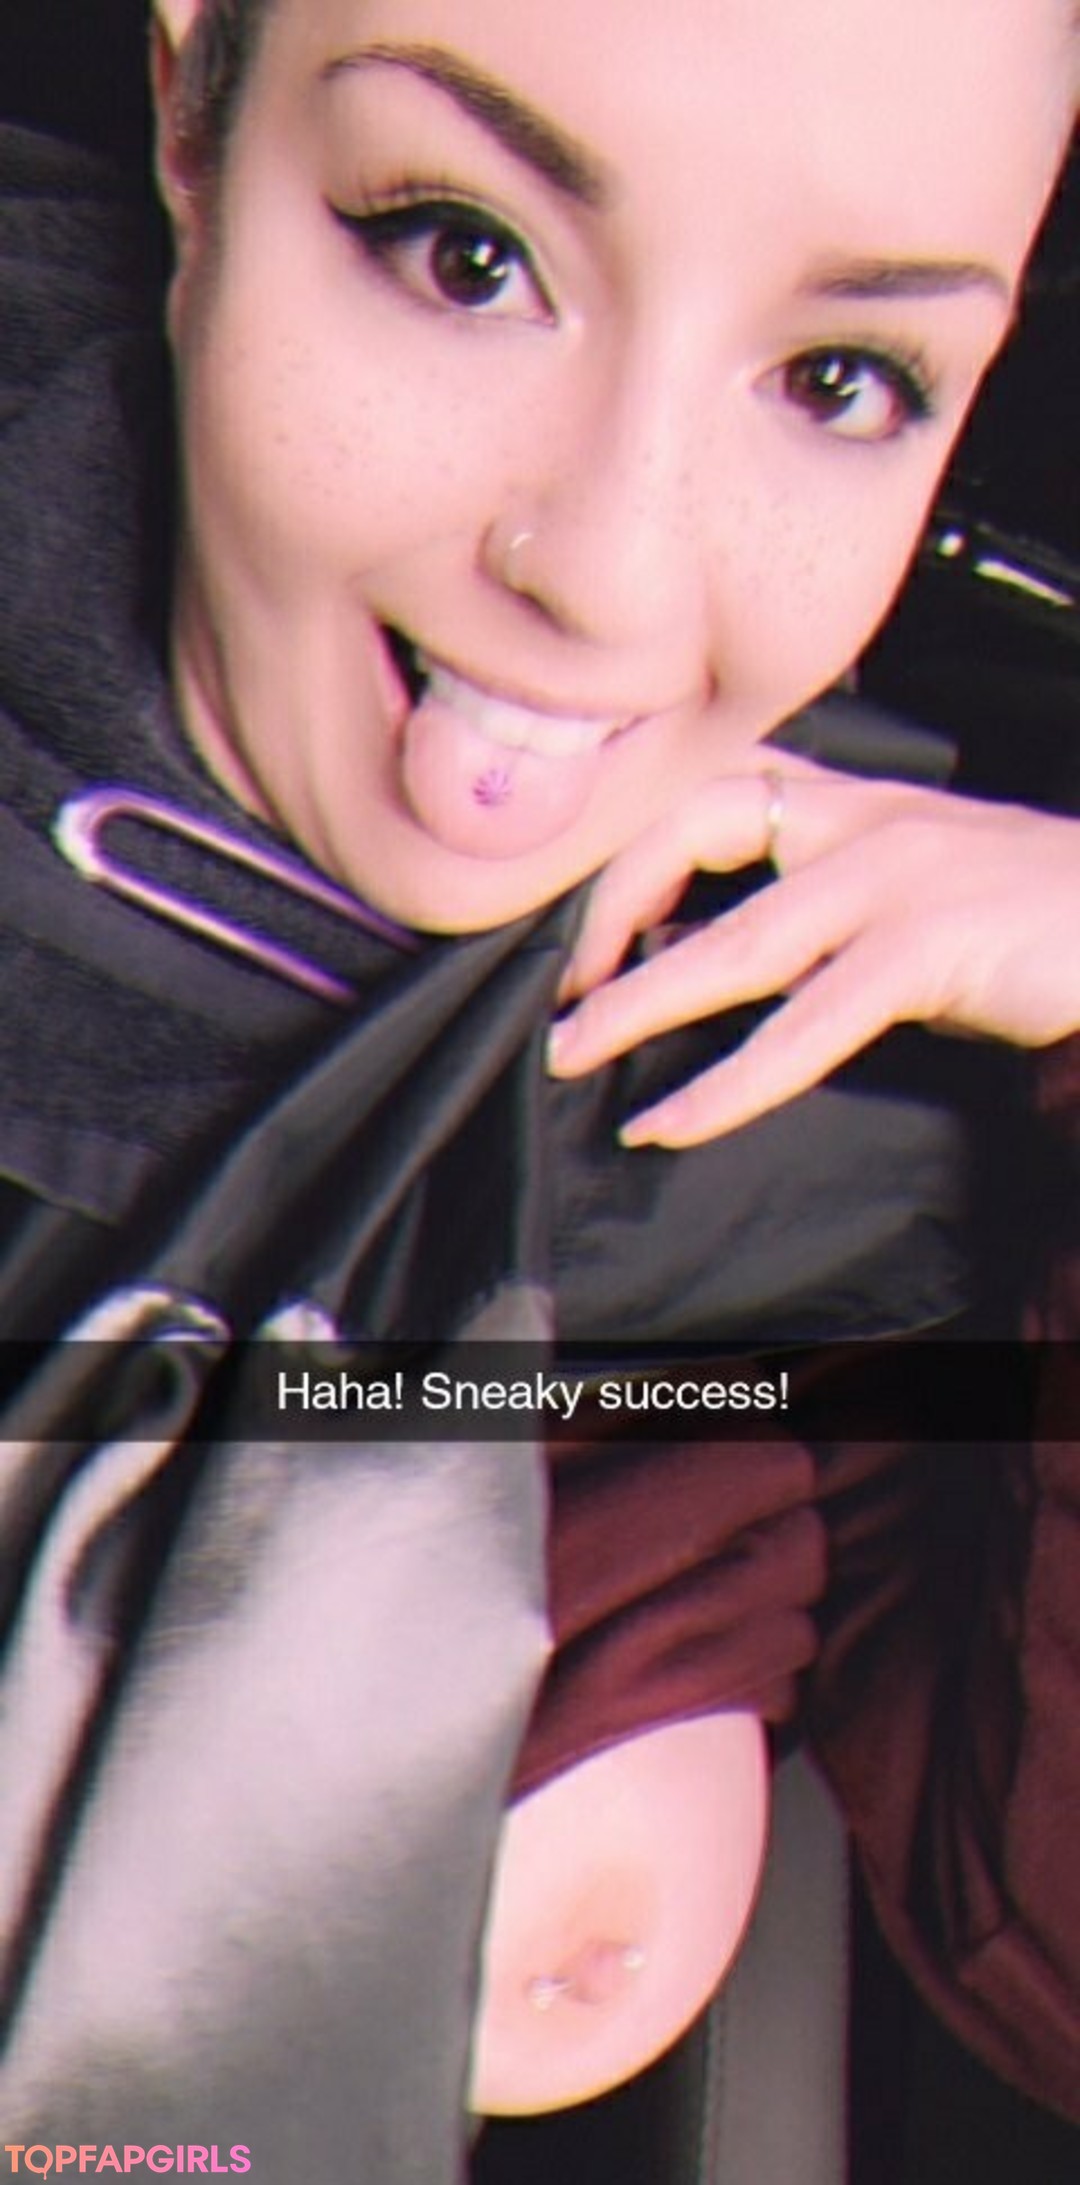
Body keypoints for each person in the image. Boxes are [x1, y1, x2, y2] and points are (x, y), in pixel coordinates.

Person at [0, 0, 1077, 2169]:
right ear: (194, 104)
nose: (607, 567)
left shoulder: (834, 1081)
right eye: (465, 254)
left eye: (840, 382)